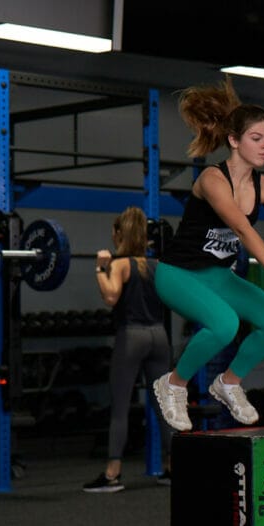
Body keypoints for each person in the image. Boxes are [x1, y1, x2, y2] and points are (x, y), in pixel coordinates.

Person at [150, 79, 264, 433]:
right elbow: (242, 229)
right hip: (178, 274)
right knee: (224, 325)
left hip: (218, 277)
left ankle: (229, 383)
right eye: (256, 138)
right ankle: (173, 384)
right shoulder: (211, 179)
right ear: (234, 141)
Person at [83, 206, 172, 492]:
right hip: (159, 336)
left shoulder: (120, 265)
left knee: (120, 408)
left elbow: (110, 296)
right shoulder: (158, 266)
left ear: (120, 234)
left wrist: (100, 266)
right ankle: (173, 469)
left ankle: (112, 474)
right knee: (164, 407)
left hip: (131, 336)